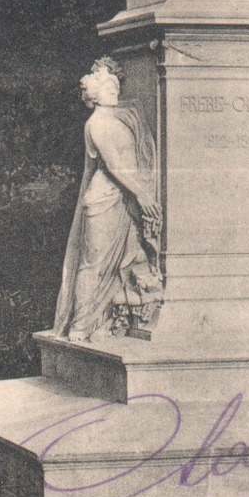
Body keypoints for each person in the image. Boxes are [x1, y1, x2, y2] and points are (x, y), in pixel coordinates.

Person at [52, 58, 164, 341]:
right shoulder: (97, 124)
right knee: (94, 264)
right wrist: (141, 193)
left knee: (119, 260)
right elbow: (114, 165)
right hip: (105, 199)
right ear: (94, 95)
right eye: (107, 88)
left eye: (116, 87)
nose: (114, 91)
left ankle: (109, 316)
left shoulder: (122, 117)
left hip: (124, 197)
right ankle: (80, 325)